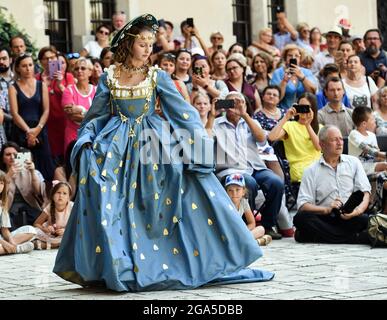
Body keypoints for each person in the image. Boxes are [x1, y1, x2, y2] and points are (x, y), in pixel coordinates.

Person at [54, 14, 273, 292]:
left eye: (150, 43)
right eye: (143, 43)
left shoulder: (156, 76)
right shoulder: (109, 76)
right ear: (130, 43)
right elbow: (96, 116)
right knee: (111, 201)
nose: (148, 48)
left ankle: (154, 259)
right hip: (115, 145)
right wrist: (86, 139)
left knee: (156, 201)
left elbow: (183, 113)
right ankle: (115, 265)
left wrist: (197, 148)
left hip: (152, 144)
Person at [207, 91, 284, 239]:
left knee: (276, 183)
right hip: (230, 169)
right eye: (230, 102)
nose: (234, 105)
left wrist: (245, 115)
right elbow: (205, 141)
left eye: (238, 101)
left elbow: (262, 140)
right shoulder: (217, 123)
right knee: (249, 183)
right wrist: (212, 115)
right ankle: (246, 225)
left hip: (255, 167)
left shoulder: (250, 122)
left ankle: (267, 226)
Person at [294, 125, 371, 244]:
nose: (340, 143)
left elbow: (365, 193)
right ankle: (355, 238)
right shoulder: (311, 170)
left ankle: (315, 237)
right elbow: (303, 205)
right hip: (325, 217)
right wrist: (327, 209)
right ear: (322, 144)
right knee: (300, 218)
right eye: (334, 140)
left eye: (341, 139)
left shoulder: (354, 162)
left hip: (349, 215)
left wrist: (355, 212)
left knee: (365, 220)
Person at [9, 54, 55, 181]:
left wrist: (37, 130)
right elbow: (14, 113)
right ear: (18, 68)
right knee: (22, 171)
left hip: (40, 132)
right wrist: (29, 132)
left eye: (30, 65)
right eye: (24, 66)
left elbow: (46, 110)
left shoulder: (42, 85)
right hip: (21, 133)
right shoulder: (13, 88)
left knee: (46, 170)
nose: (28, 68)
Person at [268, 93, 321, 183]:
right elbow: (271, 137)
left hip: (319, 168)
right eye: (301, 107)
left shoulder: (320, 127)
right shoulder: (290, 126)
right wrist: (286, 117)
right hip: (300, 170)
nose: (303, 111)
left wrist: (307, 125)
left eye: (306, 108)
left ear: (313, 109)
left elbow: (319, 147)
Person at [36, 46, 75, 162]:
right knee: (51, 157)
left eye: (52, 58)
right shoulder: (37, 79)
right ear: (40, 62)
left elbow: (72, 98)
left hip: (64, 122)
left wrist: (59, 83)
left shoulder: (67, 77)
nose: (49, 61)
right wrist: (45, 84)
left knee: (67, 155)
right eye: (45, 59)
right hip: (46, 124)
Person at [348, 107, 387, 213]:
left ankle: (380, 206)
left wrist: (381, 157)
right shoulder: (354, 134)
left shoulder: (372, 135)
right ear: (364, 123)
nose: (375, 122)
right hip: (359, 168)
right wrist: (384, 155)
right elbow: (368, 150)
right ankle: (377, 205)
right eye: (373, 119)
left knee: (385, 166)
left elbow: (377, 157)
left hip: (371, 166)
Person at [0, 142, 47, 230]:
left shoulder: (27, 171)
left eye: (15, 154)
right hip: (8, 210)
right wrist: (8, 176)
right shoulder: (1, 174)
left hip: (30, 207)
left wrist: (32, 172)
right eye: (8, 154)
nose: (12, 157)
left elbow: (38, 192)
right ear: (2, 158)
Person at [225, 174, 272, 246]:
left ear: (243, 191)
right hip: (227, 233)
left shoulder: (243, 202)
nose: (234, 193)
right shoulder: (225, 204)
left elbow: (252, 223)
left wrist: (243, 231)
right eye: (230, 190)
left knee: (261, 229)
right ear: (226, 192)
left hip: (240, 233)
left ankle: (242, 242)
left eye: (237, 190)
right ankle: (257, 242)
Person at [61, 58, 96, 155]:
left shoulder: (97, 91)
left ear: (90, 72)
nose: (79, 71)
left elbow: (102, 115)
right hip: (74, 137)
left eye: (83, 68)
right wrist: (92, 115)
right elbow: (72, 116)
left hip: (94, 136)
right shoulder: (69, 91)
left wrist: (81, 110)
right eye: (76, 69)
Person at [271, 44, 317, 110]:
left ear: (300, 58)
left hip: (303, 111)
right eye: (290, 55)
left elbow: (312, 92)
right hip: (284, 111)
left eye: (296, 56)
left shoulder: (306, 72)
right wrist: (284, 81)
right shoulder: (278, 73)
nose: (293, 58)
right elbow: (276, 98)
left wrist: (303, 78)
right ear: (285, 58)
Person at [0, 171, 36, 255]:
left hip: (1, 238)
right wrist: (4, 243)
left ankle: (11, 247)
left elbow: (4, 229)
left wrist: (11, 242)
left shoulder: (2, 204)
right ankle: (17, 249)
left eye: (1, 183)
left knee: (31, 230)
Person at [33, 181, 73, 250]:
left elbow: (78, 226)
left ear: (68, 198)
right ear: (53, 195)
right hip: (50, 235)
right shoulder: (49, 207)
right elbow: (36, 223)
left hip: (65, 235)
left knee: (71, 237)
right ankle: (53, 244)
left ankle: (46, 245)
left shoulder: (72, 207)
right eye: (58, 193)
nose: (61, 196)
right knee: (33, 231)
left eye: (64, 193)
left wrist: (66, 231)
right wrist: (45, 229)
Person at [0, 47, 14, 141]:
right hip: (2, 127)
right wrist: (14, 119)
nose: (1, 61)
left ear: (10, 60)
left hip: (20, 128)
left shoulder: (19, 80)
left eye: (4, 58)